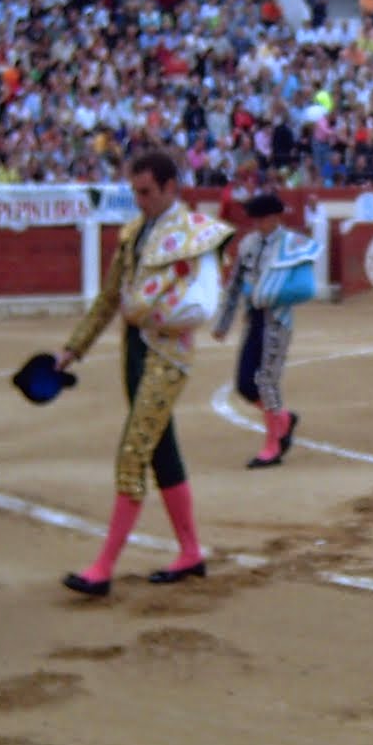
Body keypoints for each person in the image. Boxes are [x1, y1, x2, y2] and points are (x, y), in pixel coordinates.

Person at [53, 150, 234, 596]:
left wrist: (148, 312)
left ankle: (103, 568)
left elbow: (203, 307)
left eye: (147, 192)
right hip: (133, 352)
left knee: (134, 450)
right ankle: (191, 553)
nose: (139, 200)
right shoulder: (134, 232)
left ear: (171, 187)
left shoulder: (197, 234)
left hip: (168, 356)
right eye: (135, 191)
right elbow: (109, 297)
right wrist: (73, 348)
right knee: (160, 450)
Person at [213, 192, 312, 468]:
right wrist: (223, 323)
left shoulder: (292, 244)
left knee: (266, 382)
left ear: (274, 217)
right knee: (245, 384)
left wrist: (267, 294)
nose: (256, 223)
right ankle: (283, 419)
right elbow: (234, 285)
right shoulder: (248, 244)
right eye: (254, 218)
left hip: (277, 321)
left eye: (260, 218)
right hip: (255, 319)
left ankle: (273, 446)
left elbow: (305, 288)